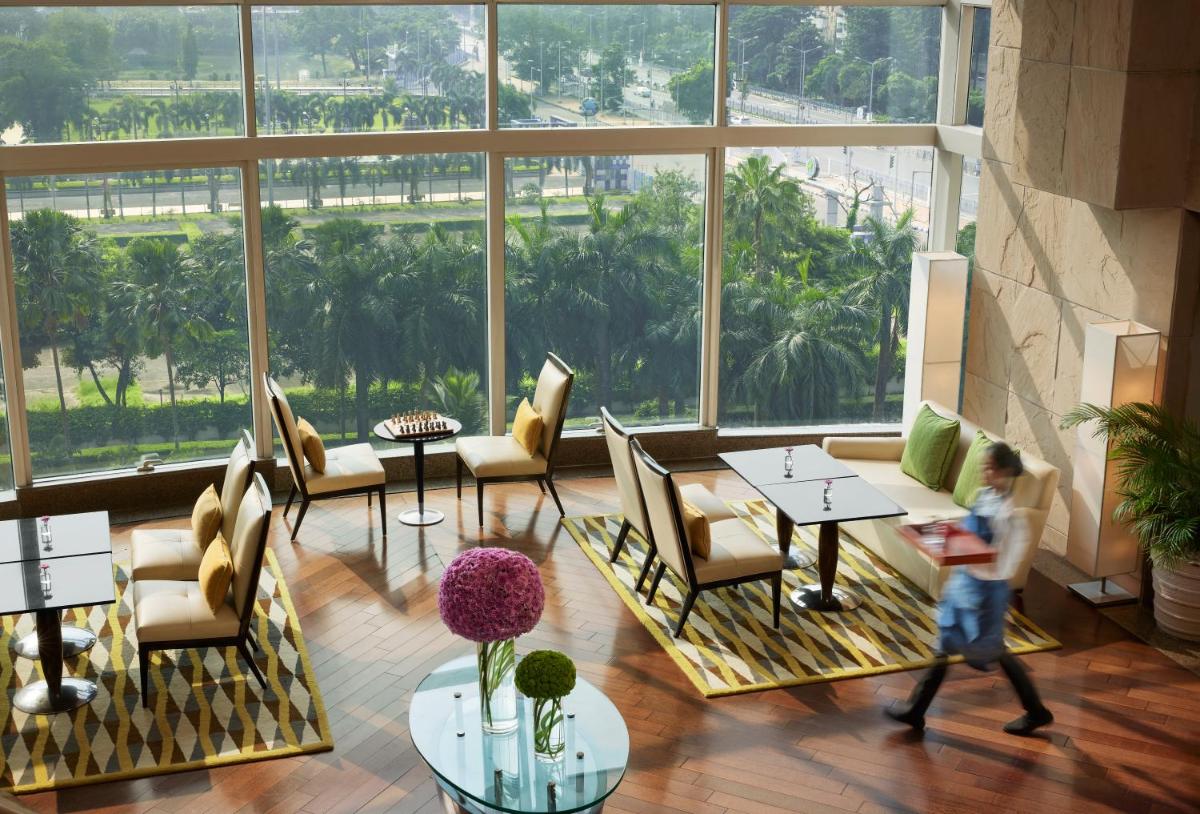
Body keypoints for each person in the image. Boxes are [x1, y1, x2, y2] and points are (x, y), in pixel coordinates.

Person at [885, 442, 1054, 736]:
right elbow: (967, 533)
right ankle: (916, 709)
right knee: (947, 643)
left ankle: (1036, 711)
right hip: (966, 584)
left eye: (987, 468)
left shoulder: (1009, 515)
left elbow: (1007, 565)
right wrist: (944, 533)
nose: (983, 473)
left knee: (992, 650)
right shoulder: (986, 497)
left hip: (985, 595)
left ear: (1002, 471)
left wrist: (975, 560)